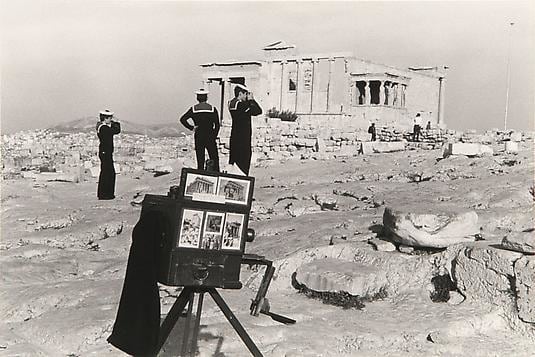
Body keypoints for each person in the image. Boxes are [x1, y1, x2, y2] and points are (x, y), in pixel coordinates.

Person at [179, 88, 220, 172]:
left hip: (199, 135)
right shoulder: (213, 109)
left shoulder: (193, 109)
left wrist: (191, 127)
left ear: (197, 98)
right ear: (206, 98)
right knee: (214, 157)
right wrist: (214, 135)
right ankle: (216, 174)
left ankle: (200, 174)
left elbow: (182, 119)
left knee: (200, 158)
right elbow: (217, 125)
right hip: (210, 134)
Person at [228, 84, 262, 175]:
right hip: (243, 138)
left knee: (234, 164)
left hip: (234, 136)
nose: (246, 96)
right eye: (245, 94)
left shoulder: (231, 103)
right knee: (243, 164)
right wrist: (252, 100)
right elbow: (258, 111)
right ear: (240, 93)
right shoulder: (241, 105)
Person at [96, 109, 121, 200]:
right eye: (110, 118)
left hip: (104, 152)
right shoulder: (104, 128)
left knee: (106, 173)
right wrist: (116, 123)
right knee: (108, 173)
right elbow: (116, 130)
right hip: (106, 152)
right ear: (106, 118)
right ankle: (106, 194)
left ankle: (104, 194)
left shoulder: (101, 126)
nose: (111, 119)